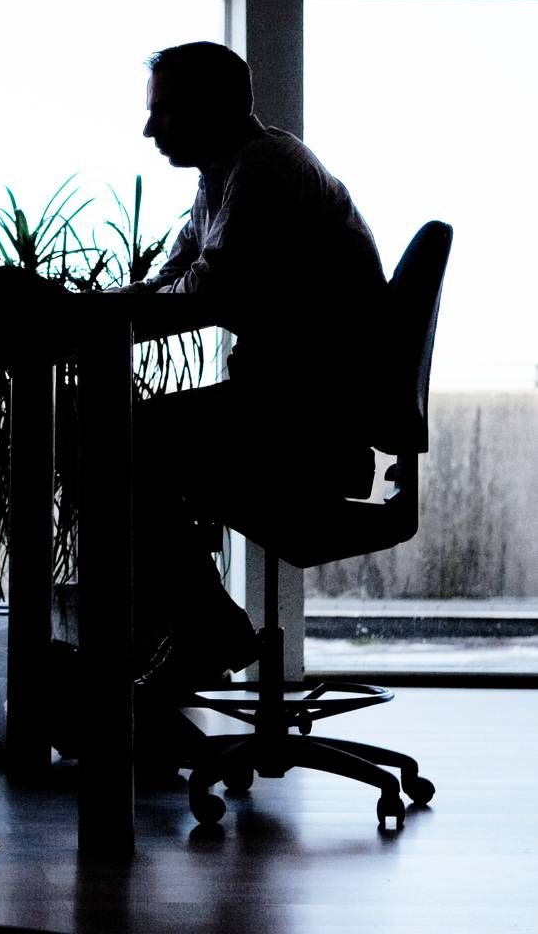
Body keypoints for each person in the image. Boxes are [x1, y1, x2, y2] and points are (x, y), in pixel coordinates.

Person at [124, 40, 387, 694]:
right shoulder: (225, 174)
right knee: (124, 437)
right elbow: (178, 274)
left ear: (213, 108)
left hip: (307, 421)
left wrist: (109, 315)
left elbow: (211, 288)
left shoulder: (265, 169)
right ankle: (189, 630)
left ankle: (202, 630)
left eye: (164, 111)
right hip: (289, 405)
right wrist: (117, 303)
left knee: (118, 439)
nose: (149, 128)